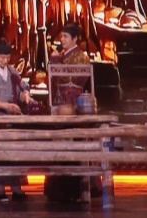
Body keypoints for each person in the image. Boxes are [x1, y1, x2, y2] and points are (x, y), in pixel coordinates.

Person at [45, 22, 100, 202]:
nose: (62, 40)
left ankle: (74, 190)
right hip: (59, 104)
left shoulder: (80, 57)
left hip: (73, 105)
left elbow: (69, 79)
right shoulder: (63, 55)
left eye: (66, 37)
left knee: (72, 145)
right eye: (61, 36)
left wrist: (56, 62)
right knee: (58, 145)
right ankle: (58, 191)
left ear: (75, 39)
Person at [0, 39, 35, 202]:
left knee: (15, 153)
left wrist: (25, 96)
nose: (5, 61)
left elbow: (21, 89)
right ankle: (0, 189)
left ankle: (17, 187)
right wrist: (6, 106)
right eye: (2, 58)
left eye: (7, 58)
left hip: (12, 118)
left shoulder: (12, 71)